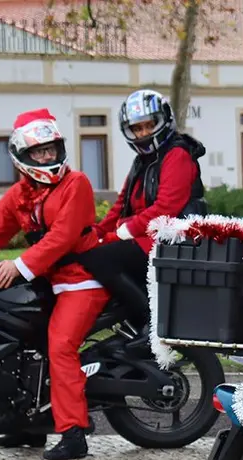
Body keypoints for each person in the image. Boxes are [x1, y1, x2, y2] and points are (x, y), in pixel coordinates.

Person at [0, 109, 108, 460]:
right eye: (39, 152)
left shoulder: (75, 184)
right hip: (50, 281)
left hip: (82, 281)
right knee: (11, 333)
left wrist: (20, 265)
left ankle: (73, 433)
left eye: (52, 149)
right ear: (22, 157)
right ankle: (28, 425)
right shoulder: (20, 194)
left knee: (60, 346)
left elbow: (62, 238)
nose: (48, 157)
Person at [78, 89, 207, 342]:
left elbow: (166, 208)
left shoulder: (177, 155)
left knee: (101, 260)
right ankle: (125, 317)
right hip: (146, 236)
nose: (144, 133)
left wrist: (120, 233)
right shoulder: (142, 160)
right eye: (137, 128)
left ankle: (147, 320)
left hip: (173, 238)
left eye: (149, 125)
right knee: (90, 254)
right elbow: (121, 205)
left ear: (163, 121)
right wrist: (97, 231)